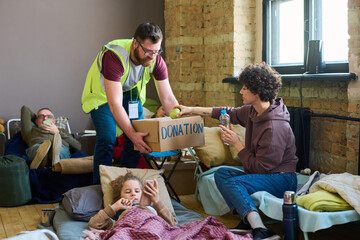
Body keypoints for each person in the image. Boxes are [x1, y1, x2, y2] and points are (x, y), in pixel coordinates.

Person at [177, 62, 298, 240]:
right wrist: (190, 110)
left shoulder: (274, 126)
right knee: (221, 174)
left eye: (244, 88)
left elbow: (262, 169)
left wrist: (237, 144)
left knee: (235, 183)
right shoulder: (252, 111)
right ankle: (247, 219)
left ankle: (261, 229)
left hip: (281, 178)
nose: (240, 92)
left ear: (256, 91)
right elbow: (225, 112)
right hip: (265, 173)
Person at [82, 23, 179, 184]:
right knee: (107, 138)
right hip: (103, 95)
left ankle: (127, 185)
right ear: (135, 43)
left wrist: (181, 123)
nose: (152, 56)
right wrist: (131, 134)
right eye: (147, 51)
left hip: (130, 94)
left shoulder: (156, 59)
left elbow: (168, 99)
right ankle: (100, 188)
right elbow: (115, 104)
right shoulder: (114, 56)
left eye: (156, 51)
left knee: (139, 137)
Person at [88, 173, 178, 230]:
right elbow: (93, 224)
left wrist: (157, 202)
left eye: (137, 191)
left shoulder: (154, 209)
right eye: (128, 192)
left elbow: (172, 225)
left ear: (142, 193)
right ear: (119, 196)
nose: (133, 194)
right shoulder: (119, 213)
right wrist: (115, 207)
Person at [21, 105, 81, 169]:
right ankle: (43, 161)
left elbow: (78, 146)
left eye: (49, 116)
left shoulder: (61, 130)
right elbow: (25, 109)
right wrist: (39, 121)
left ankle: (55, 158)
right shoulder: (30, 131)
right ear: (36, 121)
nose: (45, 119)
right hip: (38, 146)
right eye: (41, 116)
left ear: (53, 121)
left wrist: (57, 132)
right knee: (38, 148)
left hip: (60, 147)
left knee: (60, 149)